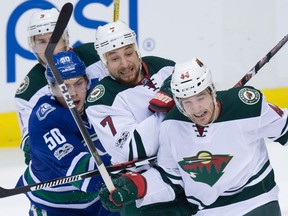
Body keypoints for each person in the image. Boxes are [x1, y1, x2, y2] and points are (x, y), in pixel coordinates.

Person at [98, 57, 288, 215]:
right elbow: (171, 178)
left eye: (200, 98)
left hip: (257, 202)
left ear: (212, 91)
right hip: (208, 211)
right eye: (187, 102)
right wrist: (137, 186)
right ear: (178, 103)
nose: (196, 109)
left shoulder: (246, 106)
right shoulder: (172, 125)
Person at [85, 21, 195, 215]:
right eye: (115, 58)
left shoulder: (165, 68)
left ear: (136, 50)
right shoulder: (101, 100)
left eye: (128, 53)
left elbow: (201, 110)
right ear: (105, 62)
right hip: (146, 194)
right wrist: (168, 110)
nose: (125, 64)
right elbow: (133, 149)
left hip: (190, 177)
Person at [17, 50, 118, 216]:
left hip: (99, 201)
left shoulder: (99, 103)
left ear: (87, 82)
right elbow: (86, 174)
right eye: (63, 87)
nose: (72, 93)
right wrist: (126, 164)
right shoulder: (45, 120)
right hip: (55, 206)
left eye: (78, 83)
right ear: (51, 88)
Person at [14, 8, 107, 165]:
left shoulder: (95, 55)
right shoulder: (28, 92)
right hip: (76, 152)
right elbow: (29, 135)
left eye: (53, 40)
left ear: (65, 39)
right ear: (33, 46)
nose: (48, 48)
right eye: (41, 42)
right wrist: (34, 146)